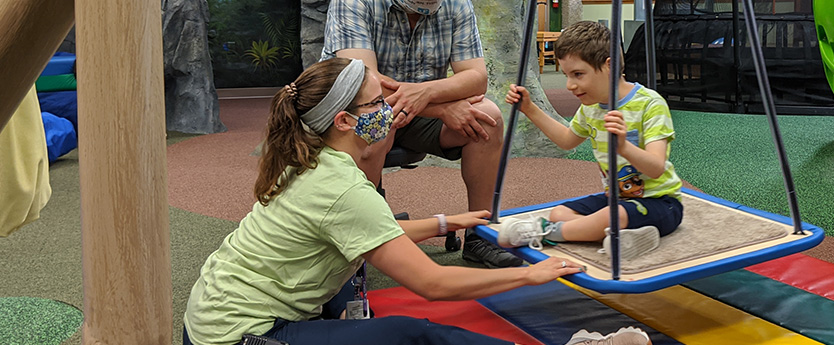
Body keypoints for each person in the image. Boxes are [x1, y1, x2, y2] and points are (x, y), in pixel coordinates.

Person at [182, 58, 652, 345]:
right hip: (240, 339)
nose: (388, 109)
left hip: (208, 320)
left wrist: (445, 222)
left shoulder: (309, 157)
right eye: (375, 103)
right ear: (345, 121)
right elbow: (433, 284)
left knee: (348, 297)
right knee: (411, 334)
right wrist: (531, 273)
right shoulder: (342, 188)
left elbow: (373, 234)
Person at [321, 0, 523, 268]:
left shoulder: (457, 5)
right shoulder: (353, 2)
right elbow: (362, 85)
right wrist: (441, 108)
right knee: (378, 122)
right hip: (358, 110)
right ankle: (363, 233)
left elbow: (476, 77)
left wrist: (427, 94)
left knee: (488, 119)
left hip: (420, 114)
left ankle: (480, 235)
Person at [501, 21, 684, 260]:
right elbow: (567, 141)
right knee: (559, 212)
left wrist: (624, 148)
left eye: (578, 74)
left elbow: (657, 168)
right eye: (566, 75)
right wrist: (530, 109)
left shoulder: (650, 104)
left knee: (611, 217)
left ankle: (546, 232)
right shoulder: (591, 108)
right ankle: (625, 237)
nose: (569, 85)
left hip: (661, 202)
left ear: (610, 66)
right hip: (617, 198)